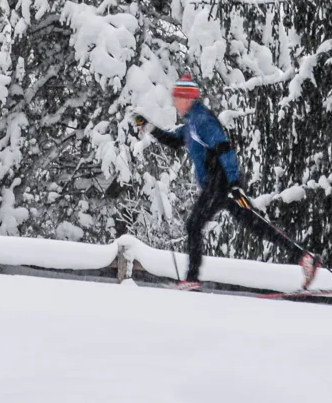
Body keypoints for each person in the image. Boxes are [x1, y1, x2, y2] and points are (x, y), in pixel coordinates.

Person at [134, 72, 319, 291]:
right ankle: (304, 257)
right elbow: (175, 141)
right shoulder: (192, 122)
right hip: (220, 185)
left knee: (194, 224)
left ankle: (191, 279)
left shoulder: (202, 120)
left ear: (188, 98)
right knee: (255, 224)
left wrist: (234, 185)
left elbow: (224, 148)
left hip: (220, 183)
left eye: (177, 98)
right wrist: (149, 127)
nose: (174, 103)